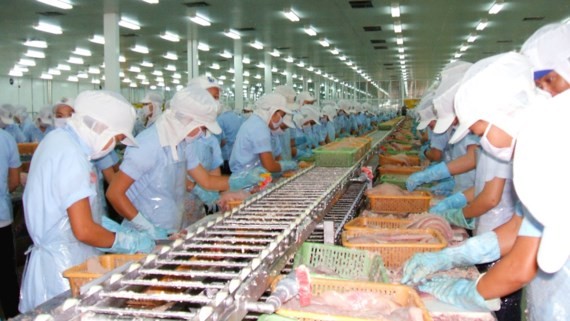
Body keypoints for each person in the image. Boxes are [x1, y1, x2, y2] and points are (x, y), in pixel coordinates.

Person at [402, 52, 547, 320]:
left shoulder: (552, 154)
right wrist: (454, 256)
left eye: (480, 134)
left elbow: (521, 264)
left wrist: (468, 290)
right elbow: (518, 228)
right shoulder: (535, 153)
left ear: (503, 116)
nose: (483, 144)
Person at [19, 90, 154, 313]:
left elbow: (74, 213)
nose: (114, 145)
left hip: (66, 258)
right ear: (100, 128)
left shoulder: (59, 141)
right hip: (63, 269)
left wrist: (116, 229)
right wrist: (129, 242)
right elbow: (83, 229)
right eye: (117, 138)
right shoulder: (71, 154)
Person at [406, 61, 477, 196]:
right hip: (466, 190)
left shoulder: (477, 128)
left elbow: (473, 159)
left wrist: (431, 174)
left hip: (473, 197)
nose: (432, 128)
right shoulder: (459, 128)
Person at [230, 93, 297, 175]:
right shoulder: (259, 127)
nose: (281, 120)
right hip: (247, 178)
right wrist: (287, 166)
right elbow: (269, 166)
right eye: (281, 116)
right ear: (273, 111)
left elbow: (276, 156)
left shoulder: (260, 124)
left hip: (253, 176)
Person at [0, 122, 21, 318]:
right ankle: (13, 315)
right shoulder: (6, 139)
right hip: (2, 219)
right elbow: (14, 181)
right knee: (5, 274)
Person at [216, 106, 244, 174]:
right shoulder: (236, 117)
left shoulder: (220, 119)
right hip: (236, 152)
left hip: (225, 155)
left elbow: (222, 141)